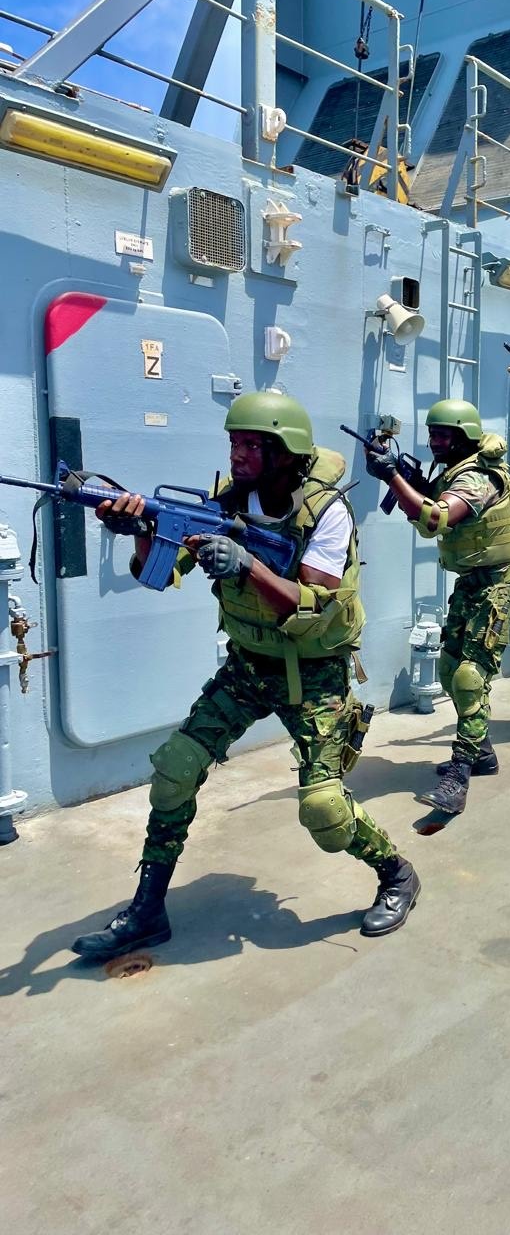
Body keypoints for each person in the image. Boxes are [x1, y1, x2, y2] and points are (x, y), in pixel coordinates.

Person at [71, 391, 420, 962]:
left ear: (286, 451)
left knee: (325, 810)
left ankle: (398, 873)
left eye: (252, 444)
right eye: (234, 442)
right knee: (175, 772)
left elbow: (312, 606)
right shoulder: (228, 501)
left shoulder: (326, 513)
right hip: (247, 668)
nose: (237, 455)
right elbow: (156, 575)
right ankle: (147, 909)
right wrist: (137, 529)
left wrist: (246, 564)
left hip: (315, 677)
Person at [365, 400, 510, 815]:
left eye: (444, 435)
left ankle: (459, 773)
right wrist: (404, 481)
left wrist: (394, 476)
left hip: (499, 585)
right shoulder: (453, 473)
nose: (435, 441)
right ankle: (482, 751)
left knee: (471, 677)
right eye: (432, 434)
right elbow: (425, 510)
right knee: (452, 669)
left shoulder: (476, 478)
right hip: (472, 585)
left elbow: (434, 520)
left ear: (464, 438)